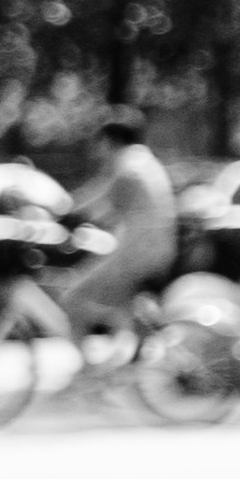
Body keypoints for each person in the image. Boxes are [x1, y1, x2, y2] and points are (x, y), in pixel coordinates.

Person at [64, 110, 182, 336]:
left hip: (137, 254)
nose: (96, 149)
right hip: (158, 252)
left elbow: (98, 202)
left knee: (73, 298)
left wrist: (64, 210)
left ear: (111, 140)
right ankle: (136, 330)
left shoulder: (127, 165)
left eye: (99, 141)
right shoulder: (144, 160)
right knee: (121, 305)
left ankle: (87, 367)